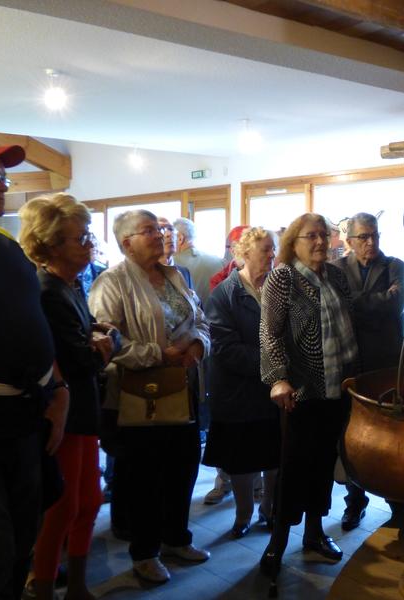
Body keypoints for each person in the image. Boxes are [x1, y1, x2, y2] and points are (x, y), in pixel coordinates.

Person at [89, 210, 211, 585]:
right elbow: (109, 344)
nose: (161, 235)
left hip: (184, 389)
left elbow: (202, 321)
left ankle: (176, 538)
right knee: (145, 479)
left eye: (161, 229)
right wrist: (161, 355)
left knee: (184, 466)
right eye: (149, 231)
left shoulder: (175, 275)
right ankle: (145, 552)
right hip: (141, 399)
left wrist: (196, 345)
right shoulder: (112, 282)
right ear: (126, 242)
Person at [18, 194, 119, 600]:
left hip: (82, 410)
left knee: (88, 501)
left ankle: (77, 584)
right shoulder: (47, 291)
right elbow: (79, 358)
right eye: (80, 237)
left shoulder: (70, 285)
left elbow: (103, 336)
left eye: (88, 235)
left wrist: (100, 342)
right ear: (52, 245)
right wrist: (99, 345)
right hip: (64, 414)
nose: (89, 243)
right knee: (63, 507)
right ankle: (45, 588)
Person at [0, 143, 70, 600]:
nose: (2, 184)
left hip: (27, 416)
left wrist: (58, 387)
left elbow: (31, 321)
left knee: (25, 530)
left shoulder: (6, 247)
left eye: (3, 176)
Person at [259, 213, 358, 575]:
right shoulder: (283, 276)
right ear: (294, 242)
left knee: (322, 465)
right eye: (310, 236)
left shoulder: (335, 275)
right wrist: (278, 379)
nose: (319, 242)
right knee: (294, 466)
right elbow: (269, 333)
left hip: (338, 387)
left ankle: (314, 535)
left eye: (323, 235)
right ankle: (278, 542)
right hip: (301, 389)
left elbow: (351, 321)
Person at [202, 227, 280, 538]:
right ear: (244, 254)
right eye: (266, 250)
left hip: (274, 393)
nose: (272, 255)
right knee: (243, 462)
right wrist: (275, 364)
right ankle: (243, 514)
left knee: (274, 458)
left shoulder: (279, 288)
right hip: (239, 393)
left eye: (273, 249)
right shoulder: (225, 294)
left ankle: (270, 509)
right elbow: (225, 348)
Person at [334, 212, 404, 529]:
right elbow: (342, 307)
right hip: (354, 361)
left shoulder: (395, 265)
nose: (371, 242)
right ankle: (355, 502)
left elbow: (398, 303)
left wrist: (358, 303)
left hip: (390, 361)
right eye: (364, 237)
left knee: (394, 432)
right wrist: (377, 301)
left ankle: (398, 502)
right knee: (355, 434)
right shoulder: (336, 270)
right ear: (349, 241)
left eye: (375, 235)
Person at [172, 217, 224, 306]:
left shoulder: (172, 264)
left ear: (180, 238)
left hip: (194, 319)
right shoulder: (219, 261)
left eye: (171, 237)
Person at [158, 217, 193, 288]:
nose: (168, 234)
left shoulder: (184, 272)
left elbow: (193, 299)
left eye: (171, 229)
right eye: (161, 229)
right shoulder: (145, 274)